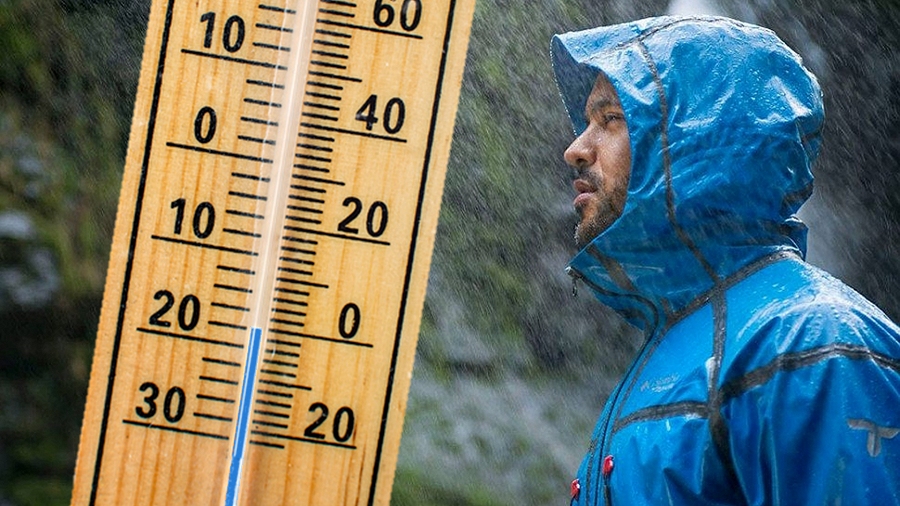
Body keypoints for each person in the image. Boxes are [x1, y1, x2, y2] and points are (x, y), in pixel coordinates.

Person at [551, 16, 900, 505]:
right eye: (587, 122)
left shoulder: (812, 341)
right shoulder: (672, 344)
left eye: (611, 120)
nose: (575, 150)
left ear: (694, 142)